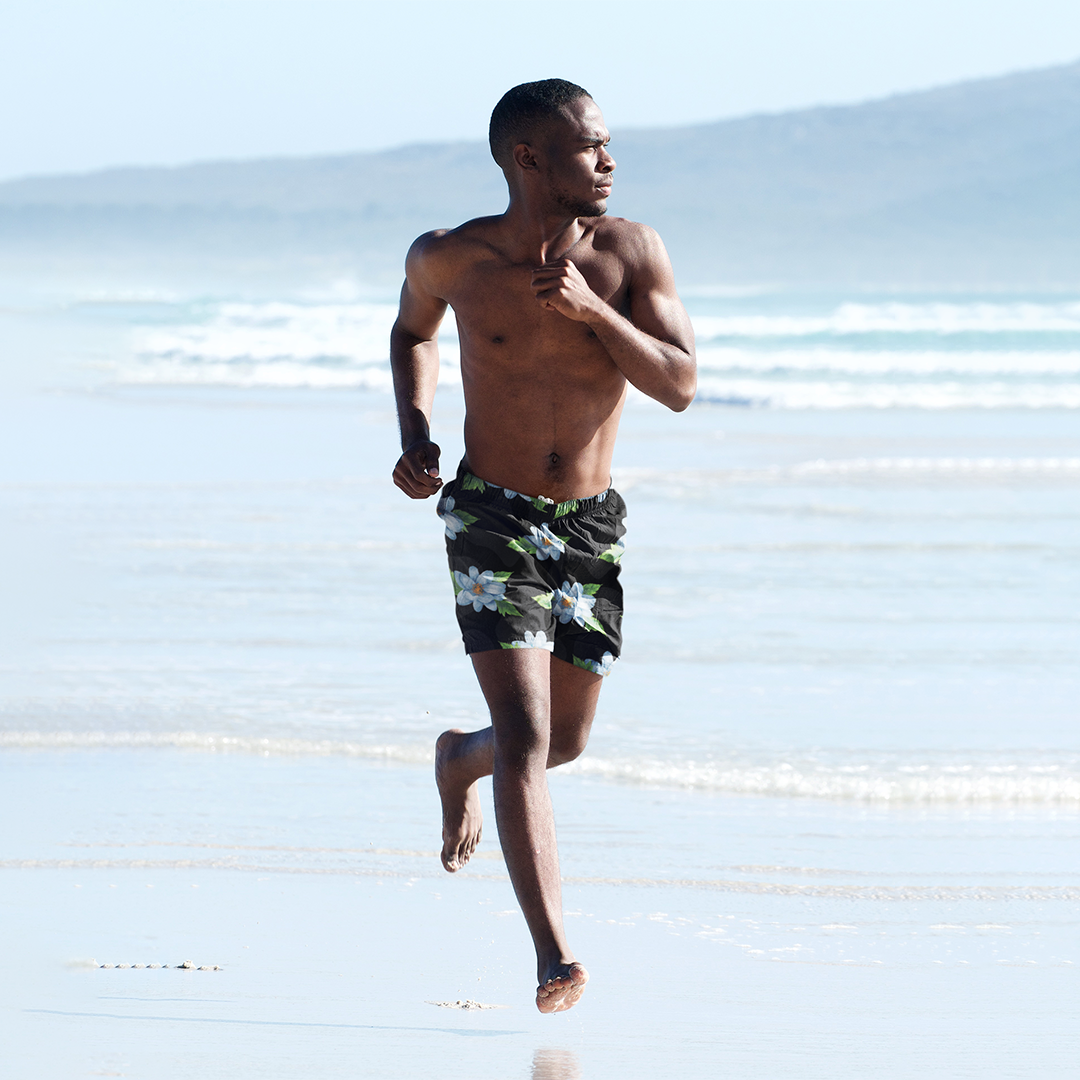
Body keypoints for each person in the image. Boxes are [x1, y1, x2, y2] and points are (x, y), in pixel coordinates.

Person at [391, 78, 696, 1014]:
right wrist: (415, 431)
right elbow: (412, 332)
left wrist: (593, 315)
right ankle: (554, 954)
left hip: (589, 524)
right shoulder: (451, 256)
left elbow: (681, 383)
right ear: (530, 159)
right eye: (590, 146)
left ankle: (459, 759)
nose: (609, 160)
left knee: (557, 744)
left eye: (609, 144)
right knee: (527, 734)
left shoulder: (630, 252)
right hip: (489, 512)